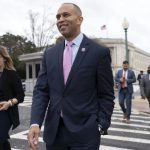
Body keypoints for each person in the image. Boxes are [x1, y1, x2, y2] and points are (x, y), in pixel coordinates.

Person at [28, 3, 115, 150]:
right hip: (54, 134)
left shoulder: (99, 53)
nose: (60, 19)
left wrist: (100, 125)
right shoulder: (50, 55)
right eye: (58, 17)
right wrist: (35, 122)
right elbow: (41, 91)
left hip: (86, 134)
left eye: (66, 15)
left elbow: (106, 94)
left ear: (80, 19)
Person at [0, 45, 24, 149]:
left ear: (4, 59)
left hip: (7, 111)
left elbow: (21, 95)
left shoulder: (12, 74)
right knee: (2, 140)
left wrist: (9, 103)